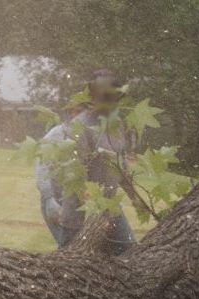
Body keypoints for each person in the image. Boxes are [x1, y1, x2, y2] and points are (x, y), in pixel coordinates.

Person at [37, 69, 137, 255]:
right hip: (78, 214)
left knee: (130, 253)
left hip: (109, 208)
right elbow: (76, 178)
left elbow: (121, 170)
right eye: (99, 94)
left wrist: (137, 200)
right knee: (75, 263)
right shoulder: (79, 128)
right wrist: (95, 212)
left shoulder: (118, 126)